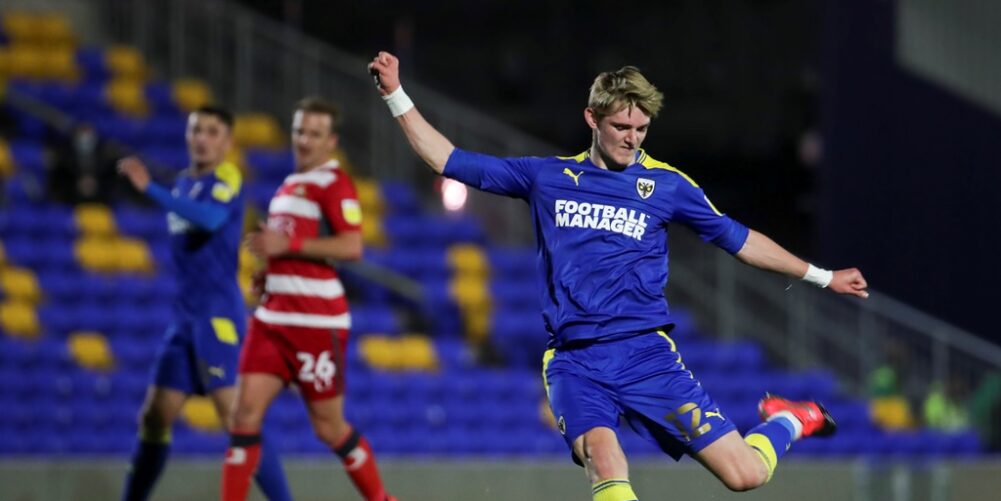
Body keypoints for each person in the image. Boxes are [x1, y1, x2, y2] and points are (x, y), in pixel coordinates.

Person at [369, 51, 870, 500]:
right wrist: (395, 94)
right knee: (605, 460)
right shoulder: (548, 178)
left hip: (646, 355)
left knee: (746, 476)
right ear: (592, 118)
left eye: (642, 129)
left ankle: (790, 418)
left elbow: (739, 240)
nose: (632, 140)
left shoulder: (666, 185)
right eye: (621, 128)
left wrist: (823, 277)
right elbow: (448, 159)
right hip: (575, 362)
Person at [221, 97, 395, 501]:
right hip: (272, 319)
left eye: (315, 134)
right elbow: (289, 252)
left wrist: (288, 243)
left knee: (328, 428)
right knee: (243, 417)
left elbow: (352, 246)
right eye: (300, 130)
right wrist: (270, 276)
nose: (304, 140)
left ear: (330, 141)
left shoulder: (336, 184)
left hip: (316, 324)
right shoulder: (288, 185)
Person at [117, 106, 291, 501]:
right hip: (183, 319)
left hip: (218, 315)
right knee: (155, 415)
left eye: (212, 132)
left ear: (227, 142)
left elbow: (211, 219)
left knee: (237, 420)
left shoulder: (226, 176)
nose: (202, 138)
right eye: (196, 130)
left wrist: (150, 189)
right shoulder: (181, 184)